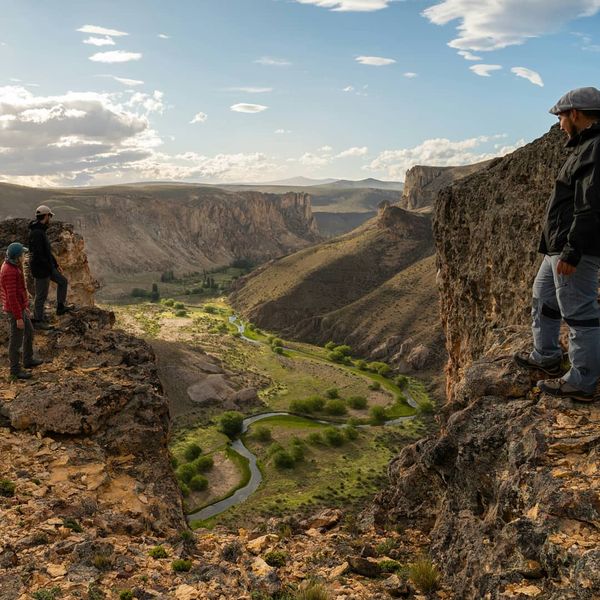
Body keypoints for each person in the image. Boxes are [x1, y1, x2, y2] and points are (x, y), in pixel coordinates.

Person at [514, 87, 600, 402]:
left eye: (562, 117)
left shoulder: (595, 148)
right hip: (558, 247)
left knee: (579, 314)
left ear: (575, 114)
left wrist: (572, 251)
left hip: (572, 249)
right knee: (544, 300)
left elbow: (590, 206)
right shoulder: (584, 147)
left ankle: (583, 380)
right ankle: (547, 355)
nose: (561, 123)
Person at [0, 243, 44, 380]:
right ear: (17, 257)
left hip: (20, 308)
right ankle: (15, 371)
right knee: (15, 342)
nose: (25, 256)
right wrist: (19, 317)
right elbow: (11, 297)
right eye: (22, 254)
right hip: (14, 311)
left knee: (29, 332)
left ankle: (28, 359)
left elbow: (19, 292)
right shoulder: (9, 271)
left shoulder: (13, 267)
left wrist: (25, 308)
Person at [28, 205, 73, 329]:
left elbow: (47, 251)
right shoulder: (37, 233)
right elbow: (38, 255)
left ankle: (60, 307)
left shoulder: (40, 230)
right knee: (41, 295)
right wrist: (49, 267)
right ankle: (37, 320)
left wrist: (55, 265)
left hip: (47, 267)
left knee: (62, 281)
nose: (51, 219)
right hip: (41, 270)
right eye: (50, 216)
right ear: (46, 216)